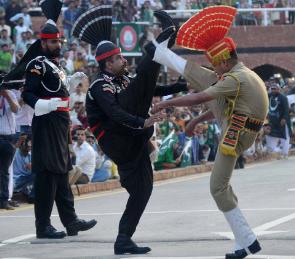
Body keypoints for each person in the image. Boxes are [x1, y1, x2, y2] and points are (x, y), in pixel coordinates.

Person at [151, 7, 268, 258]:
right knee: (223, 187)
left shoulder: (234, 79)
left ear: (225, 60)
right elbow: (221, 105)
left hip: (236, 133)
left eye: (216, 65)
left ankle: (247, 239)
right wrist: (194, 123)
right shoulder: (242, 74)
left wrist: (165, 103)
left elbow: (202, 97)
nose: (215, 70)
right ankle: (164, 54)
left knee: (217, 187)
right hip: (239, 124)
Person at [73, 7, 186, 254]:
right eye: (119, 59)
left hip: (133, 140)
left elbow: (147, 91)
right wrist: (143, 122)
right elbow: (115, 113)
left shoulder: (122, 80)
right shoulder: (98, 86)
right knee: (144, 75)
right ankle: (157, 46)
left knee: (143, 189)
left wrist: (181, 85)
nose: (124, 61)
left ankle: (123, 238)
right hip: (117, 138)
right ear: (107, 63)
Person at [20, 0, 97, 238]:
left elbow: (60, 93)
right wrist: (44, 104)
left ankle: (71, 221)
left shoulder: (58, 66)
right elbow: (27, 94)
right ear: (43, 42)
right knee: (46, 174)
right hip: (46, 123)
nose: (58, 45)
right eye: (53, 41)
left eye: (59, 41)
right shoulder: (37, 65)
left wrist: (70, 84)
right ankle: (42, 226)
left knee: (62, 172)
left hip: (61, 123)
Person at [0, 89, 18, 210]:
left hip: (7, 137)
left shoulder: (9, 93)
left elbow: (16, 109)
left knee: (4, 171)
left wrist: (6, 96)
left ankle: (4, 200)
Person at [266, 83, 291, 159]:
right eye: (272, 89)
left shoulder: (283, 98)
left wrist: (284, 118)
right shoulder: (269, 96)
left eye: (275, 89)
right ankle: (273, 151)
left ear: (278, 89)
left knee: (284, 137)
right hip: (272, 121)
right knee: (270, 135)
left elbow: (286, 109)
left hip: (281, 121)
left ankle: (285, 153)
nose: (273, 90)